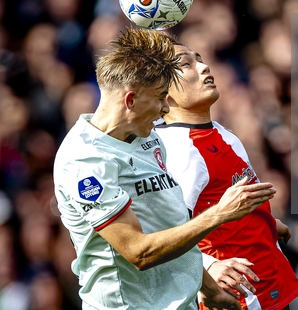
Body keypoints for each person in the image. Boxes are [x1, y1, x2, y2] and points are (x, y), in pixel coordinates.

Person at [53, 28, 277, 310]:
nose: (164, 108)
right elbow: (139, 252)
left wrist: (207, 286)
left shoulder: (147, 136)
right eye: (160, 96)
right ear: (130, 100)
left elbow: (170, 223)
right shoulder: (86, 161)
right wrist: (219, 213)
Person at [154, 40, 298, 310]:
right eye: (187, 64)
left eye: (199, 58)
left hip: (271, 279)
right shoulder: (178, 150)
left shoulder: (222, 132)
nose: (203, 66)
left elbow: (222, 199)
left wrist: (265, 220)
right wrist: (208, 265)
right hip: (240, 296)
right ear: (164, 94)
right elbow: (167, 231)